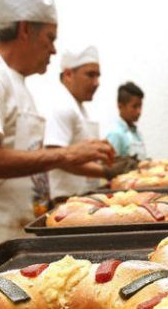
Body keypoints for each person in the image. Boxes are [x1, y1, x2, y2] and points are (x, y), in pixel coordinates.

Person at [0, 0, 115, 261]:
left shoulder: (17, 83)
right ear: (25, 30)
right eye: (49, 38)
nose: (53, 50)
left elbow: (26, 156)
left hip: (17, 229)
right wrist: (65, 154)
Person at [41, 45, 132, 200]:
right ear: (69, 74)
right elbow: (56, 159)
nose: (96, 82)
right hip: (65, 200)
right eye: (90, 75)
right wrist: (105, 172)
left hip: (81, 196)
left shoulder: (78, 107)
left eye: (98, 76)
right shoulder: (62, 107)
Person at [105, 81, 147, 160]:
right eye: (134, 106)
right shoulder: (115, 134)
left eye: (140, 106)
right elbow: (109, 168)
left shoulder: (137, 134)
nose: (139, 111)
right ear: (120, 106)